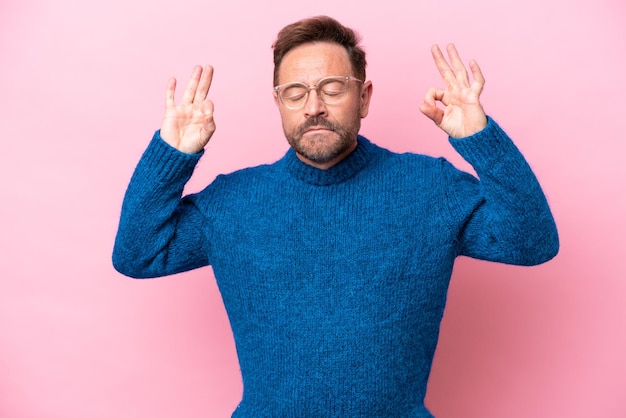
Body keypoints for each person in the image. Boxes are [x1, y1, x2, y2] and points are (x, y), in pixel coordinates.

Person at [113, 15, 558, 417]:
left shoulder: (430, 188)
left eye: (332, 88)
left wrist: (479, 138)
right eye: (296, 92)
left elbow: (532, 241)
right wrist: (173, 154)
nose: (313, 107)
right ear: (279, 103)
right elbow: (138, 255)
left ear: (363, 97)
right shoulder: (232, 202)